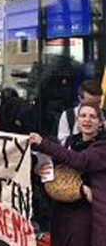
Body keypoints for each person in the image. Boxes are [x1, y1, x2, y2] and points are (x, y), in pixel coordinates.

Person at [29, 102, 106, 246]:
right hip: (61, 209)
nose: (87, 120)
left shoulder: (102, 146)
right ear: (77, 120)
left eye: (92, 117)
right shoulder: (70, 141)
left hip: (86, 212)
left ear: (100, 123)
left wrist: (43, 143)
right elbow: (57, 163)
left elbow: (79, 161)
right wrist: (41, 169)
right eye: (83, 116)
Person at [57, 79, 102, 144]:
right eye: (90, 103)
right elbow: (63, 142)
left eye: (98, 102)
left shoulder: (104, 115)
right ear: (80, 99)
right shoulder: (68, 115)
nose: (94, 106)